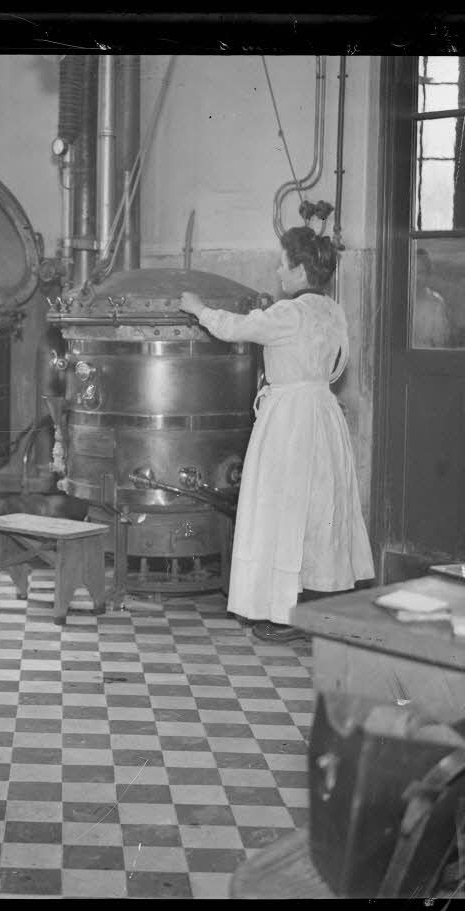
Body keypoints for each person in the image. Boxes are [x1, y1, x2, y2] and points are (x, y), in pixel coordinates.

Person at [179, 226, 374, 644]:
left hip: (291, 421)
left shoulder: (291, 313)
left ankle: (285, 612)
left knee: (282, 509)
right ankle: (316, 604)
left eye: (282, 263)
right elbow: (336, 366)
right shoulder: (333, 311)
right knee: (317, 511)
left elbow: (235, 328)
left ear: (300, 270)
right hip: (323, 415)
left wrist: (198, 308)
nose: (278, 270)